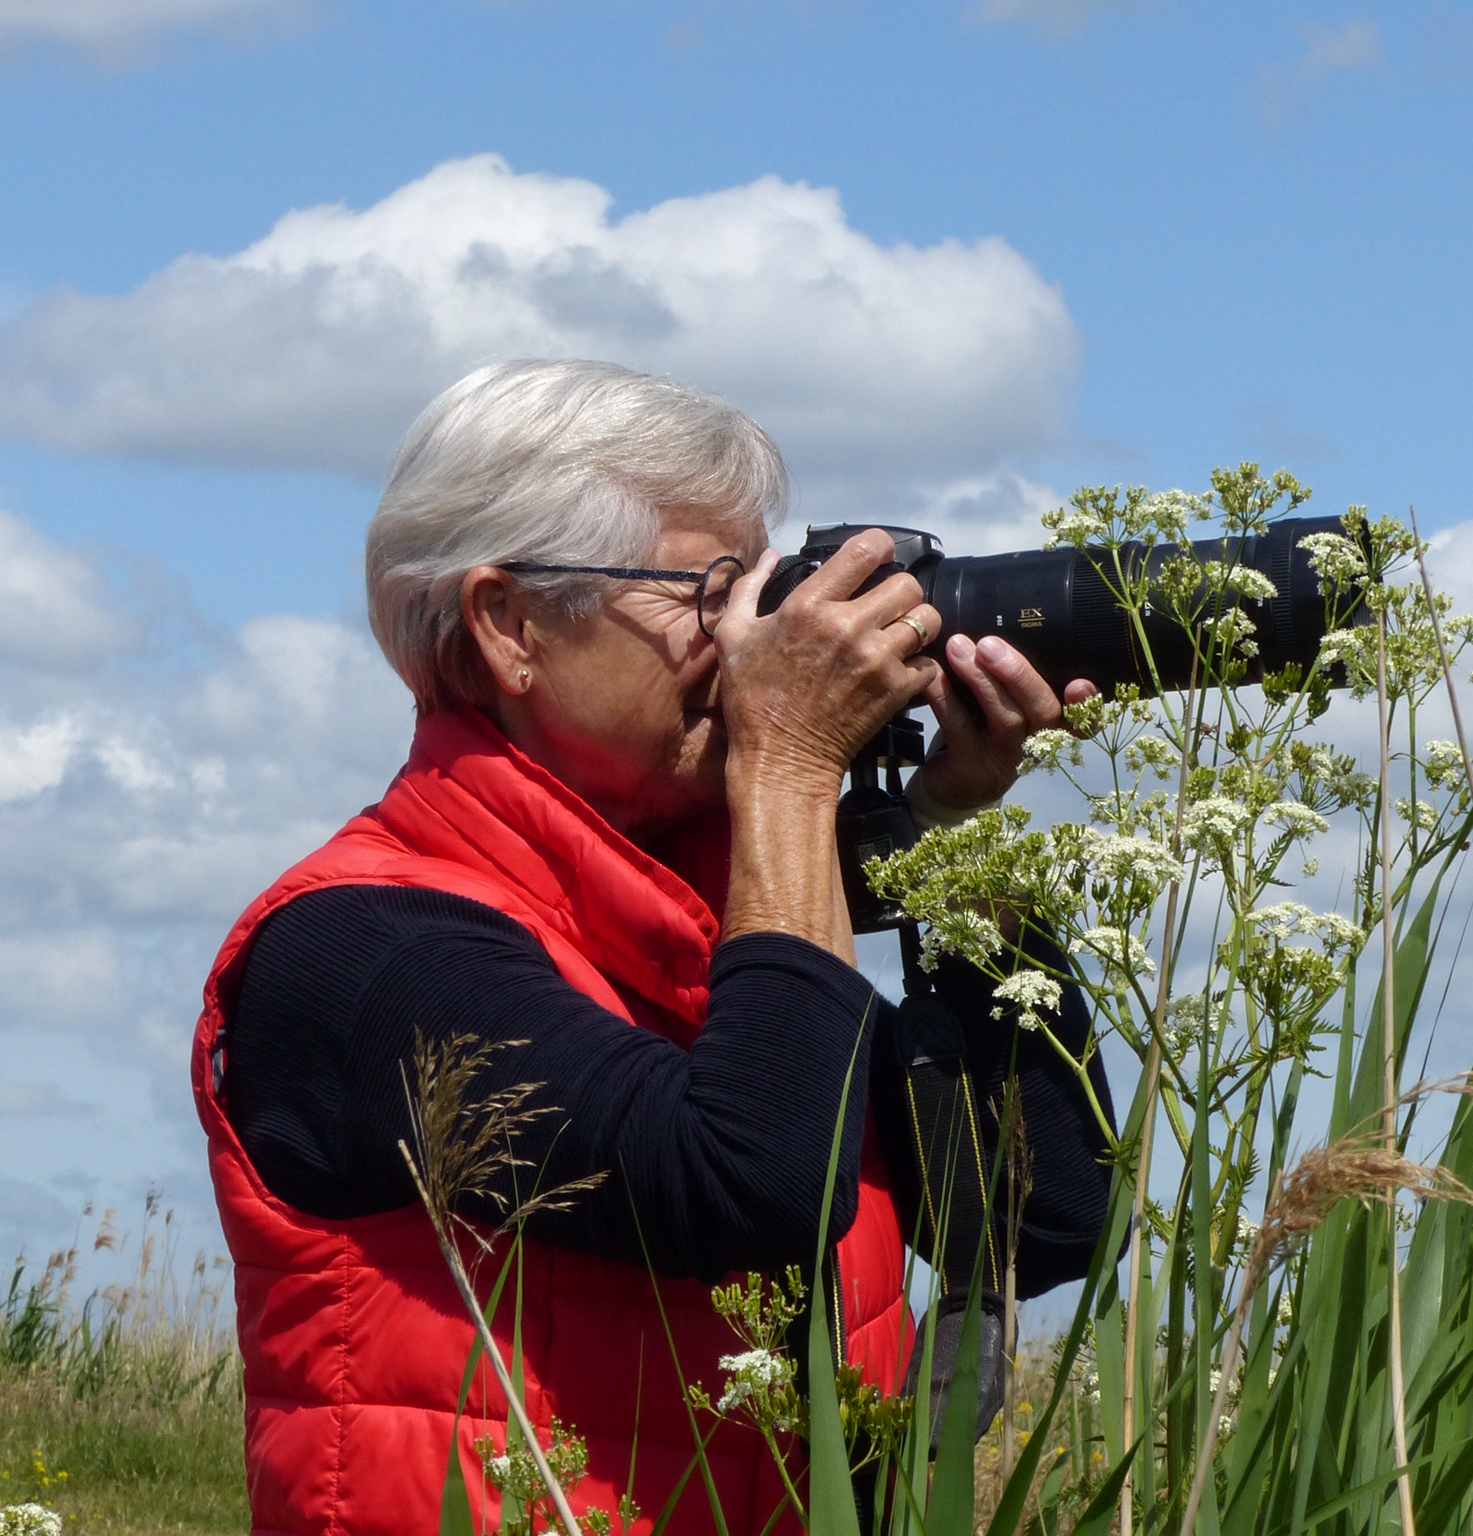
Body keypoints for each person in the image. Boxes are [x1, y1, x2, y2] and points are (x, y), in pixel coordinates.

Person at [191, 360, 1114, 1536]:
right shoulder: (359, 953)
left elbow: (1039, 1218)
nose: (754, 639)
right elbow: (749, 1188)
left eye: (762, 588)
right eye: (710, 591)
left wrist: (937, 838)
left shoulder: (703, 938)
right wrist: (788, 766)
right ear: (509, 624)